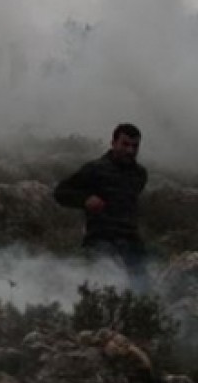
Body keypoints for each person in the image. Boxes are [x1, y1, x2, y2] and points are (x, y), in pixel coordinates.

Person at [54, 123, 149, 287]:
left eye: (135, 146)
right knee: (105, 285)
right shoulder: (95, 169)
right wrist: (85, 200)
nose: (130, 150)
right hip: (101, 239)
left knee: (141, 290)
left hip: (130, 240)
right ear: (113, 143)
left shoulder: (139, 174)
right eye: (125, 144)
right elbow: (61, 192)